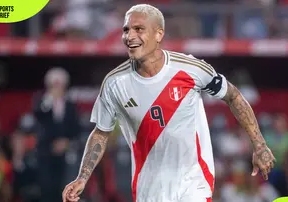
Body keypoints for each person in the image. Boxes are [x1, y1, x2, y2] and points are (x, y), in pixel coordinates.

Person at [62, 4, 276, 202]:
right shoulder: (114, 83)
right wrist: (82, 177)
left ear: (158, 34)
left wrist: (259, 145)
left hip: (193, 186)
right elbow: (101, 132)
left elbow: (233, 96)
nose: (129, 36)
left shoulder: (190, 69)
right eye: (126, 30)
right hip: (149, 190)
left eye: (139, 29)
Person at [34, 67, 81, 202]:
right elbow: (39, 116)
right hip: (46, 152)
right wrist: (49, 98)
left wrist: (66, 142)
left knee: (65, 185)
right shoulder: (42, 102)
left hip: (65, 153)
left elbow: (75, 128)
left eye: (60, 85)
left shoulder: (70, 104)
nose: (57, 89)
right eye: (54, 85)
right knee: (47, 186)